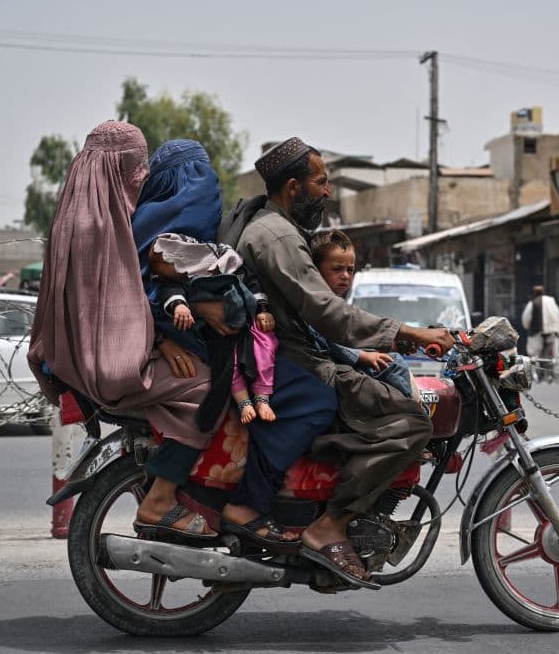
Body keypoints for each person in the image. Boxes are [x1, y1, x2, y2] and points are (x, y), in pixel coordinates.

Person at [222, 137, 453, 588]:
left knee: (376, 392)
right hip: (293, 359)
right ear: (293, 187)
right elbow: (328, 313)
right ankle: (330, 526)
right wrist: (412, 332)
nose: (327, 191)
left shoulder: (276, 226)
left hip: (294, 353)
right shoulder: (278, 235)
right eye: (321, 181)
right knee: (411, 422)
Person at [29, 123, 221, 541]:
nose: (141, 175)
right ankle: (162, 500)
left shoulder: (80, 215)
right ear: (115, 165)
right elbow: (112, 308)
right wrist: (159, 340)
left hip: (83, 352)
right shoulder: (99, 226)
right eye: (135, 164)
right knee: (206, 390)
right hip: (106, 361)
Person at [147, 232, 278, 425]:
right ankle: (243, 403)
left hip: (248, 322)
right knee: (227, 364)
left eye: (172, 266)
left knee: (266, 346)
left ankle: (262, 397)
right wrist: (180, 306)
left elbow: (252, 283)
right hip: (217, 331)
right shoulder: (180, 281)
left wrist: (263, 310)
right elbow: (172, 290)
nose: (173, 273)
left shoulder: (227, 260)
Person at [309, 229, 414, 400]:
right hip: (331, 367)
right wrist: (363, 356)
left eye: (350, 270)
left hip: (339, 363)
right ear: (315, 270)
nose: (345, 276)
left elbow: (351, 335)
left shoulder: (334, 302)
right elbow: (328, 340)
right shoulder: (317, 303)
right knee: (393, 364)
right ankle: (408, 410)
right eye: (337, 269)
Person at [521, 284, 559, 359]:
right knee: (553, 357)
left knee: (534, 356)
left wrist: (528, 327)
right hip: (552, 332)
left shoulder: (532, 303)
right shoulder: (551, 301)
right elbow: (558, 314)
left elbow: (525, 319)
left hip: (537, 334)